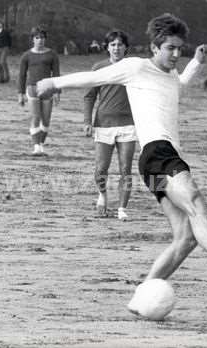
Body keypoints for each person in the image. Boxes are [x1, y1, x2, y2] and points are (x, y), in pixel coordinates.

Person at [36, 13, 207, 313]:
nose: (175, 54)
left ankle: (140, 298)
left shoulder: (171, 75)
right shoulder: (135, 67)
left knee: (186, 238)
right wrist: (52, 82)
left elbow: (178, 85)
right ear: (155, 47)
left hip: (155, 164)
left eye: (179, 49)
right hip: (158, 153)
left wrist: (196, 62)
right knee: (195, 198)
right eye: (170, 48)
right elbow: (92, 78)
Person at [83, 30, 137, 220]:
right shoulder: (99, 68)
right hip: (103, 124)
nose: (116, 48)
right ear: (107, 47)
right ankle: (103, 195)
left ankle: (122, 209)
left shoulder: (133, 68)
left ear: (126, 48)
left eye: (120, 44)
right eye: (113, 44)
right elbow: (89, 96)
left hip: (129, 125)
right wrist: (87, 122)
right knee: (101, 169)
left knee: (125, 169)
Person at [18, 26, 60, 155]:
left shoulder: (52, 54)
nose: (40, 40)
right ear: (32, 39)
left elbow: (57, 74)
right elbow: (22, 75)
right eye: (37, 38)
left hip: (47, 89)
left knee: (46, 119)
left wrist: (57, 91)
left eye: (42, 37)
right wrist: (20, 93)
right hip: (32, 88)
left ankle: (41, 144)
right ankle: (36, 146)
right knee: (36, 116)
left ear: (45, 39)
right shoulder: (26, 55)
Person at [0, 18, 12, 83]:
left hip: (4, 48)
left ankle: (7, 77)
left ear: (2, 24)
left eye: (0, 23)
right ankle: (1, 78)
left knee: (2, 62)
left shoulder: (5, 31)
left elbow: (9, 40)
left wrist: (8, 47)